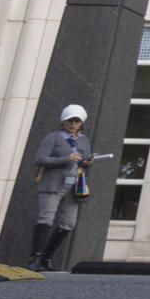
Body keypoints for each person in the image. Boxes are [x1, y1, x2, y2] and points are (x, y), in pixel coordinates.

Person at [27, 104, 93, 272]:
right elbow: (40, 159)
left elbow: (82, 162)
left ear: (81, 124)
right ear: (63, 122)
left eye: (76, 121)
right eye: (69, 121)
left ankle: (47, 257)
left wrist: (86, 162)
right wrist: (65, 158)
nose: (72, 124)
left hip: (74, 187)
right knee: (45, 219)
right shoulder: (53, 138)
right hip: (52, 185)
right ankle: (35, 258)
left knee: (68, 223)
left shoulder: (84, 140)